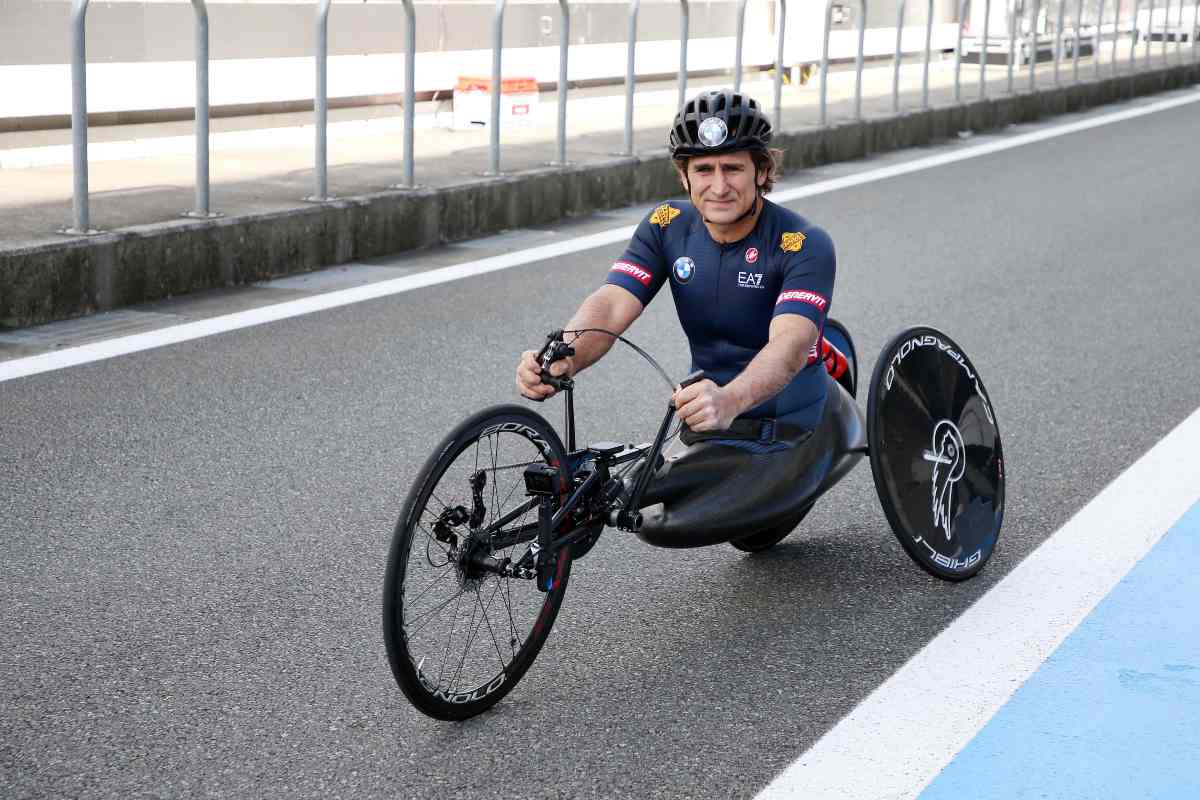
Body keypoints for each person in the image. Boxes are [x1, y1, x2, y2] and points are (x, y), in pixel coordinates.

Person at [516, 89, 838, 440]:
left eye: (732, 168)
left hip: (785, 419)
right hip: (705, 411)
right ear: (684, 176)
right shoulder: (666, 223)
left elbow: (790, 344)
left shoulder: (805, 242)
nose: (718, 186)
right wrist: (566, 354)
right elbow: (610, 304)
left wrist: (731, 399)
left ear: (761, 171)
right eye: (703, 170)